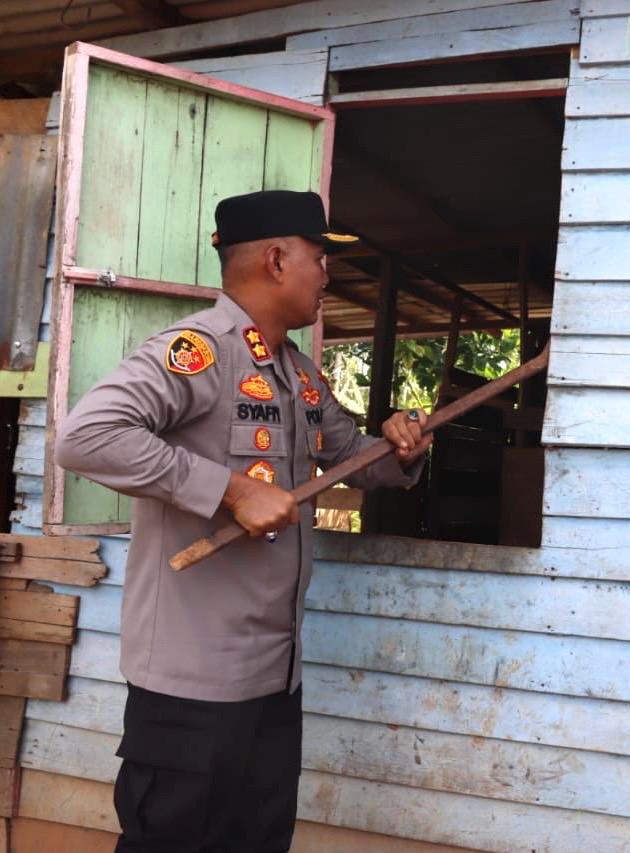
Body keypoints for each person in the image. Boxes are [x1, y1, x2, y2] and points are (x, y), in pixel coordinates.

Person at [55, 190, 431, 852]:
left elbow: (351, 459)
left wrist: (399, 446)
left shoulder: (296, 375)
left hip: (271, 678)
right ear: (279, 259)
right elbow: (86, 437)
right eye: (320, 258)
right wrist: (229, 489)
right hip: (191, 684)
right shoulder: (199, 352)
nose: (327, 275)